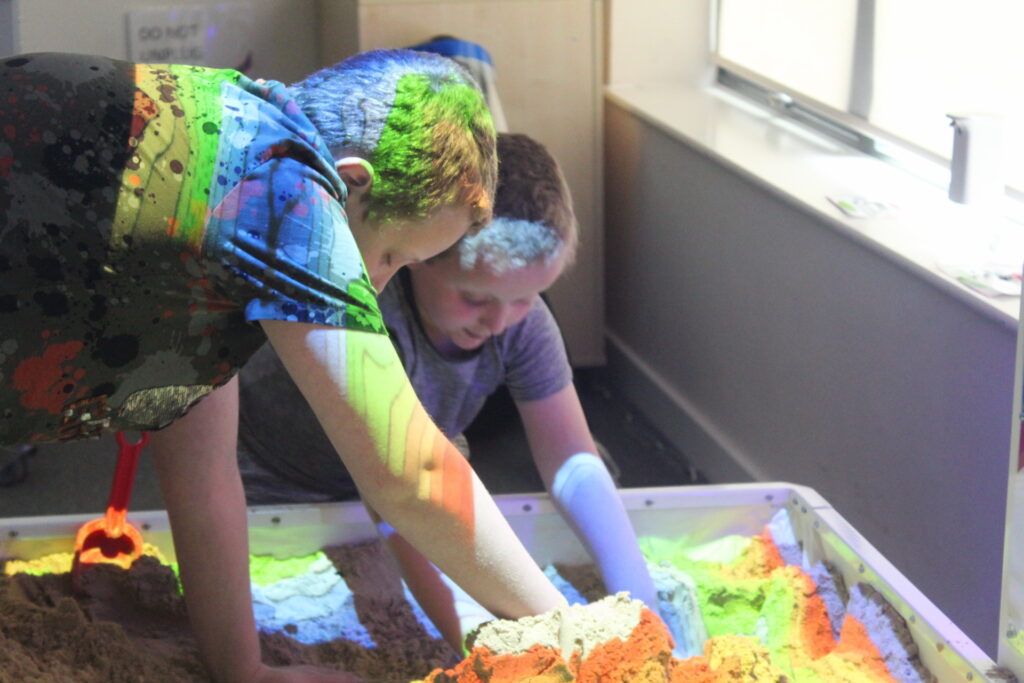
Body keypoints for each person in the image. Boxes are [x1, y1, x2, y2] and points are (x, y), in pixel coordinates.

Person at [0, 51, 566, 682]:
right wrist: (567, 636)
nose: (376, 288)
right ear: (350, 183)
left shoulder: (224, 171)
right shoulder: (290, 186)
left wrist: (245, 672)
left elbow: (204, 477)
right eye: (389, 256)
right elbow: (413, 473)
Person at [238, 133, 658, 651]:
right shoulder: (375, 316)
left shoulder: (519, 324)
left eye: (526, 297)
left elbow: (573, 460)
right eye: (474, 297)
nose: (500, 321)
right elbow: (402, 486)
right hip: (278, 487)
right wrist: (473, 634)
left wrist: (640, 606)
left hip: (407, 473)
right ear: (419, 254)